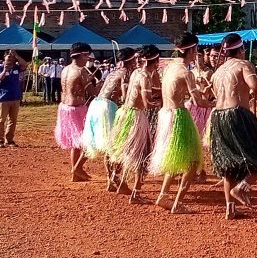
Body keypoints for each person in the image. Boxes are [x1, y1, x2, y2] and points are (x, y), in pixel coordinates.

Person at [209, 33, 257, 219]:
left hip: (218, 117)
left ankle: (230, 209)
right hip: (238, 115)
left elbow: (213, 94)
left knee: (229, 164)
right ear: (241, 50)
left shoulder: (218, 71)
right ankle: (242, 187)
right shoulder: (244, 65)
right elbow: (255, 86)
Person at [149, 32, 211, 213]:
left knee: (174, 157)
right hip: (178, 116)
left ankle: (163, 195)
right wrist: (215, 103)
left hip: (166, 114)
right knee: (192, 161)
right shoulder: (186, 72)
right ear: (192, 50)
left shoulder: (168, 67)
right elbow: (199, 101)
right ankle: (177, 203)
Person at [109, 45, 161, 203]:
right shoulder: (145, 76)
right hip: (136, 117)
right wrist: (163, 102)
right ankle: (136, 193)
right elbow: (147, 104)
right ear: (156, 61)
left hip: (124, 113)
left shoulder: (136, 73)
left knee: (122, 150)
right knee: (143, 154)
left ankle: (118, 181)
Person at [82, 48, 136, 192]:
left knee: (109, 145)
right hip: (107, 107)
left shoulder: (113, 72)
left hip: (97, 105)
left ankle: (110, 180)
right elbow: (125, 96)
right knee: (117, 145)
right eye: (135, 59)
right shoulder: (126, 73)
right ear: (130, 60)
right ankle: (118, 181)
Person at [55, 42, 98, 182]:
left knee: (76, 143)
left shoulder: (65, 69)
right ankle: (77, 168)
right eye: (87, 56)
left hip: (65, 108)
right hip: (77, 109)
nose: (88, 59)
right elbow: (92, 93)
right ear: (81, 55)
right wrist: (104, 84)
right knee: (90, 140)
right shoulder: (81, 71)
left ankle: (76, 174)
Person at [184, 44, 214, 183]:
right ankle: (192, 169)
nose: (197, 59)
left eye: (200, 56)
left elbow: (208, 92)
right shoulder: (191, 71)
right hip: (192, 106)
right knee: (191, 139)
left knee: (200, 140)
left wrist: (202, 87)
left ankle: (201, 171)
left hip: (203, 108)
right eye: (196, 56)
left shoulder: (209, 73)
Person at [0, 50, 27, 148]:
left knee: (13, 120)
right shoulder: (0, 67)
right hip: (4, 98)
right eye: (9, 57)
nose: (11, 58)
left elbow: (25, 65)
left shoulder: (16, 67)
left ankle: (9, 140)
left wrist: (17, 55)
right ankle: (0, 140)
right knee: (1, 120)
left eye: (12, 57)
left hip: (15, 97)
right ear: (4, 57)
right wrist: (5, 70)